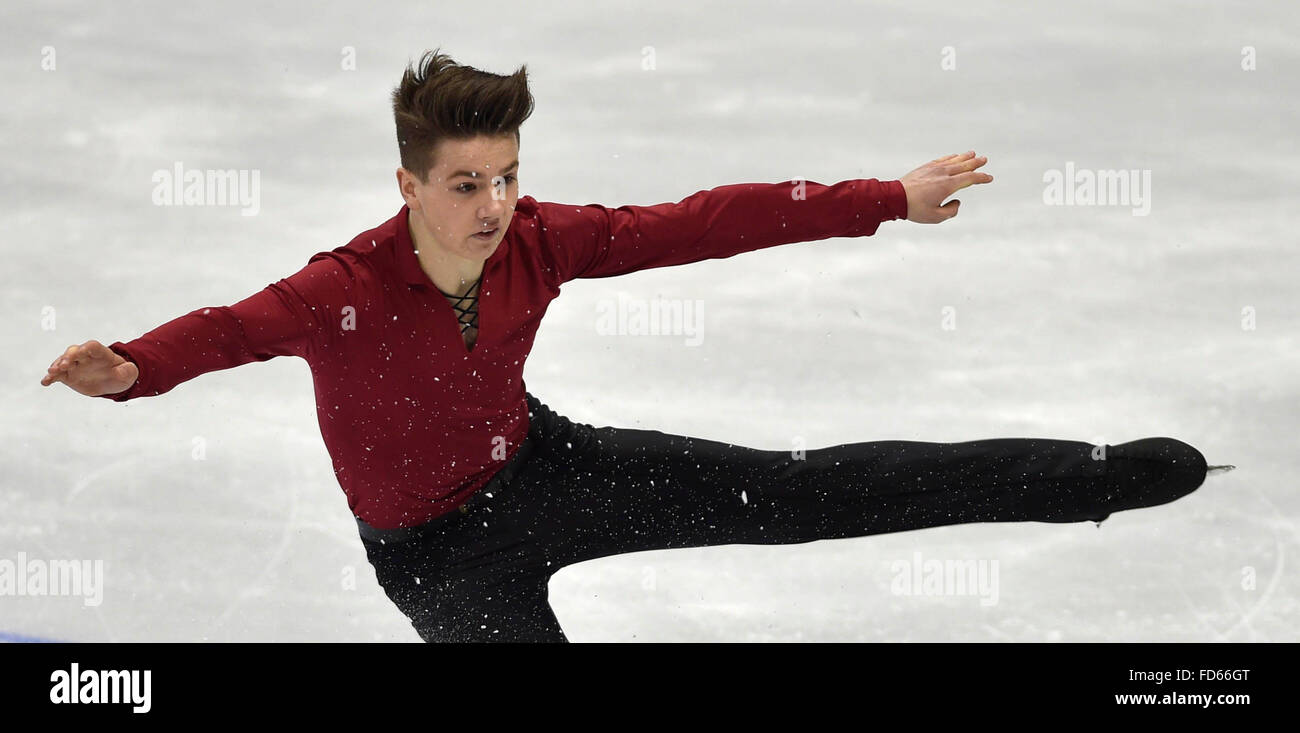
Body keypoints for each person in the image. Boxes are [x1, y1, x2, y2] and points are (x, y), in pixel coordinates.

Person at [39, 49, 1224, 642]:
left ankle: (1087, 478)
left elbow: (704, 223)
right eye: (465, 183)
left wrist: (881, 197)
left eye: (506, 176)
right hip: (438, 560)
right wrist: (132, 367)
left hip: (549, 469)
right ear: (406, 182)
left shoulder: (545, 241)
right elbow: (228, 330)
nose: (493, 203)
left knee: (797, 493)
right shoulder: (340, 288)